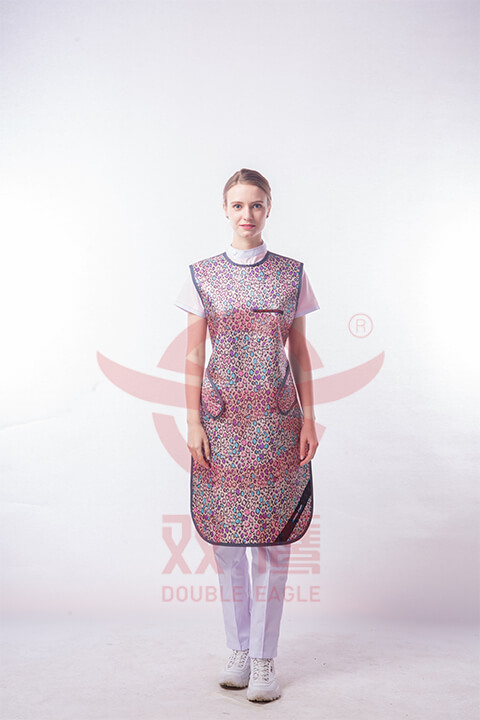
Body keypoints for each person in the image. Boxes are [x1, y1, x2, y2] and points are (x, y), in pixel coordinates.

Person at [174, 168, 319, 703]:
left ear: (269, 208)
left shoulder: (291, 275)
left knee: (273, 544)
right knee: (227, 543)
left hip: (278, 424)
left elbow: (299, 352)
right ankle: (237, 649)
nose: (247, 215)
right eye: (237, 205)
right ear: (225, 209)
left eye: (256, 205)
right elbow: (194, 354)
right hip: (222, 422)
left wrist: (309, 418)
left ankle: (264, 660)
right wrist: (193, 420)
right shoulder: (203, 276)